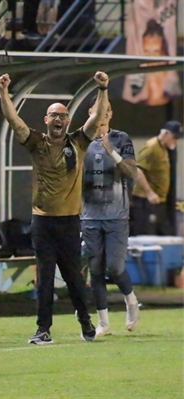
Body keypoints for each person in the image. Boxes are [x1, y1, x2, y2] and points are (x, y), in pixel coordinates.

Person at [0, 70, 110, 344]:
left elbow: (96, 120)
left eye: (62, 116)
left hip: (70, 221)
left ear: (68, 121)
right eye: (53, 115)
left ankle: (85, 322)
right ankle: (43, 329)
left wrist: (103, 90)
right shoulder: (37, 143)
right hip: (42, 222)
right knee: (44, 278)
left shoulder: (78, 142)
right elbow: (14, 120)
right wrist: (3, 92)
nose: (58, 119)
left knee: (73, 278)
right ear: (46, 120)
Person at [80, 96, 140, 337]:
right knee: (95, 268)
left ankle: (132, 302)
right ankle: (103, 322)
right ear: (90, 112)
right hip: (89, 216)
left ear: (110, 115)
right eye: (99, 110)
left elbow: (132, 173)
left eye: (107, 111)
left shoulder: (121, 138)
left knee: (114, 267)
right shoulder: (80, 140)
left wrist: (111, 152)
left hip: (117, 215)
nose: (103, 114)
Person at [130, 121, 182, 236]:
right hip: (146, 201)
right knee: (147, 233)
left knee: (164, 233)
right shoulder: (151, 147)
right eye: (174, 137)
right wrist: (149, 192)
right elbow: (137, 170)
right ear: (166, 134)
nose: (175, 141)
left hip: (159, 201)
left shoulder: (164, 148)